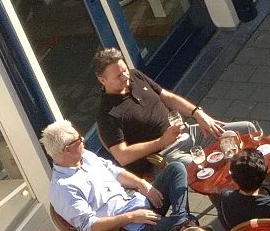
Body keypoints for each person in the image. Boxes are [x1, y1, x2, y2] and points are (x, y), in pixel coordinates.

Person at [41, 119, 195, 231]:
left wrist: (140, 183)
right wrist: (131, 217)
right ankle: (183, 227)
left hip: (139, 205)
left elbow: (115, 172)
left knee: (176, 168)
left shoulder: (85, 156)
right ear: (67, 149)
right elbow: (90, 228)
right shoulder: (63, 188)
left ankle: (180, 217)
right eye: (78, 140)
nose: (83, 140)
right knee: (186, 227)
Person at [94, 48, 253, 175]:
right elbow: (123, 156)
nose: (125, 77)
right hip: (164, 155)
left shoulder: (135, 75)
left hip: (188, 133)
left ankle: (267, 181)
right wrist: (162, 141)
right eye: (118, 76)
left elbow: (167, 97)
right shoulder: (107, 114)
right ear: (102, 80)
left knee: (246, 130)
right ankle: (234, 203)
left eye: (124, 70)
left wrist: (197, 113)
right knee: (205, 170)